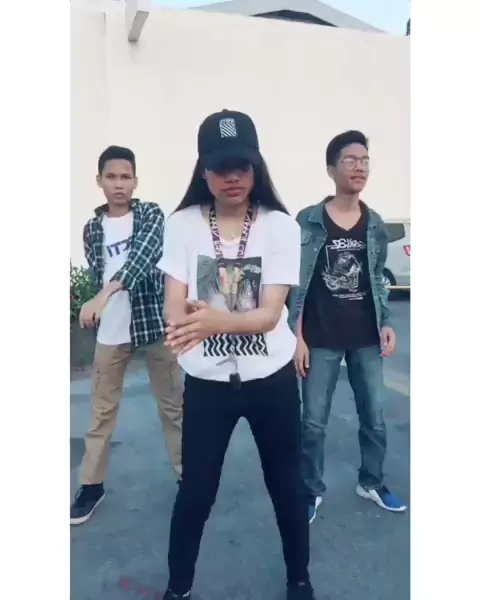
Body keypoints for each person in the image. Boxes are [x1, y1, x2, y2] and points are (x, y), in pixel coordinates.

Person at [159, 110, 316, 600]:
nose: (233, 177)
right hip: (208, 383)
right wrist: (188, 323)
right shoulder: (182, 224)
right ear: (203, 170)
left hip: (271, 379)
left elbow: (269, 315)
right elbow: (173, 304)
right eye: (221, 166)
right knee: (196, 492)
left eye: (242, 166)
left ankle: (299, 579)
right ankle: (178, 588)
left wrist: (209, 321)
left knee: (286, 487)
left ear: (256, 167)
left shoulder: (280, 226)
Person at [290, 131, 407, 524]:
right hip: (320, 338)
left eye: (365, 160)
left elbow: (377, 280)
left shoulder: (374, 224)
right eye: (350, 160)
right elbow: (296, 284)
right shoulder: (308, 220)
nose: (360, 167)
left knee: (374, 416)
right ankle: (310, 489)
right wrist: (297, 337)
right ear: (331, 169)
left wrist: (386, 322)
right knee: (313, 422)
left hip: (366, 338)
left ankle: (371, 482)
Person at [70, 145, 184, 526]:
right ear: (99, 181)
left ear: (136, 181)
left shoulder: (150, 214)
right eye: (111, 177)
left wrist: (103, 295)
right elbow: (97, 269)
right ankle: (91, 485)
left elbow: (143, 259)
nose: (119, 184)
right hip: (111, 331)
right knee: (101, 413)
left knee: (174, 408)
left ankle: (188, 478)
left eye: (125, 177)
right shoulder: (92, 229)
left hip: (153, 324)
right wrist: (101, 304)